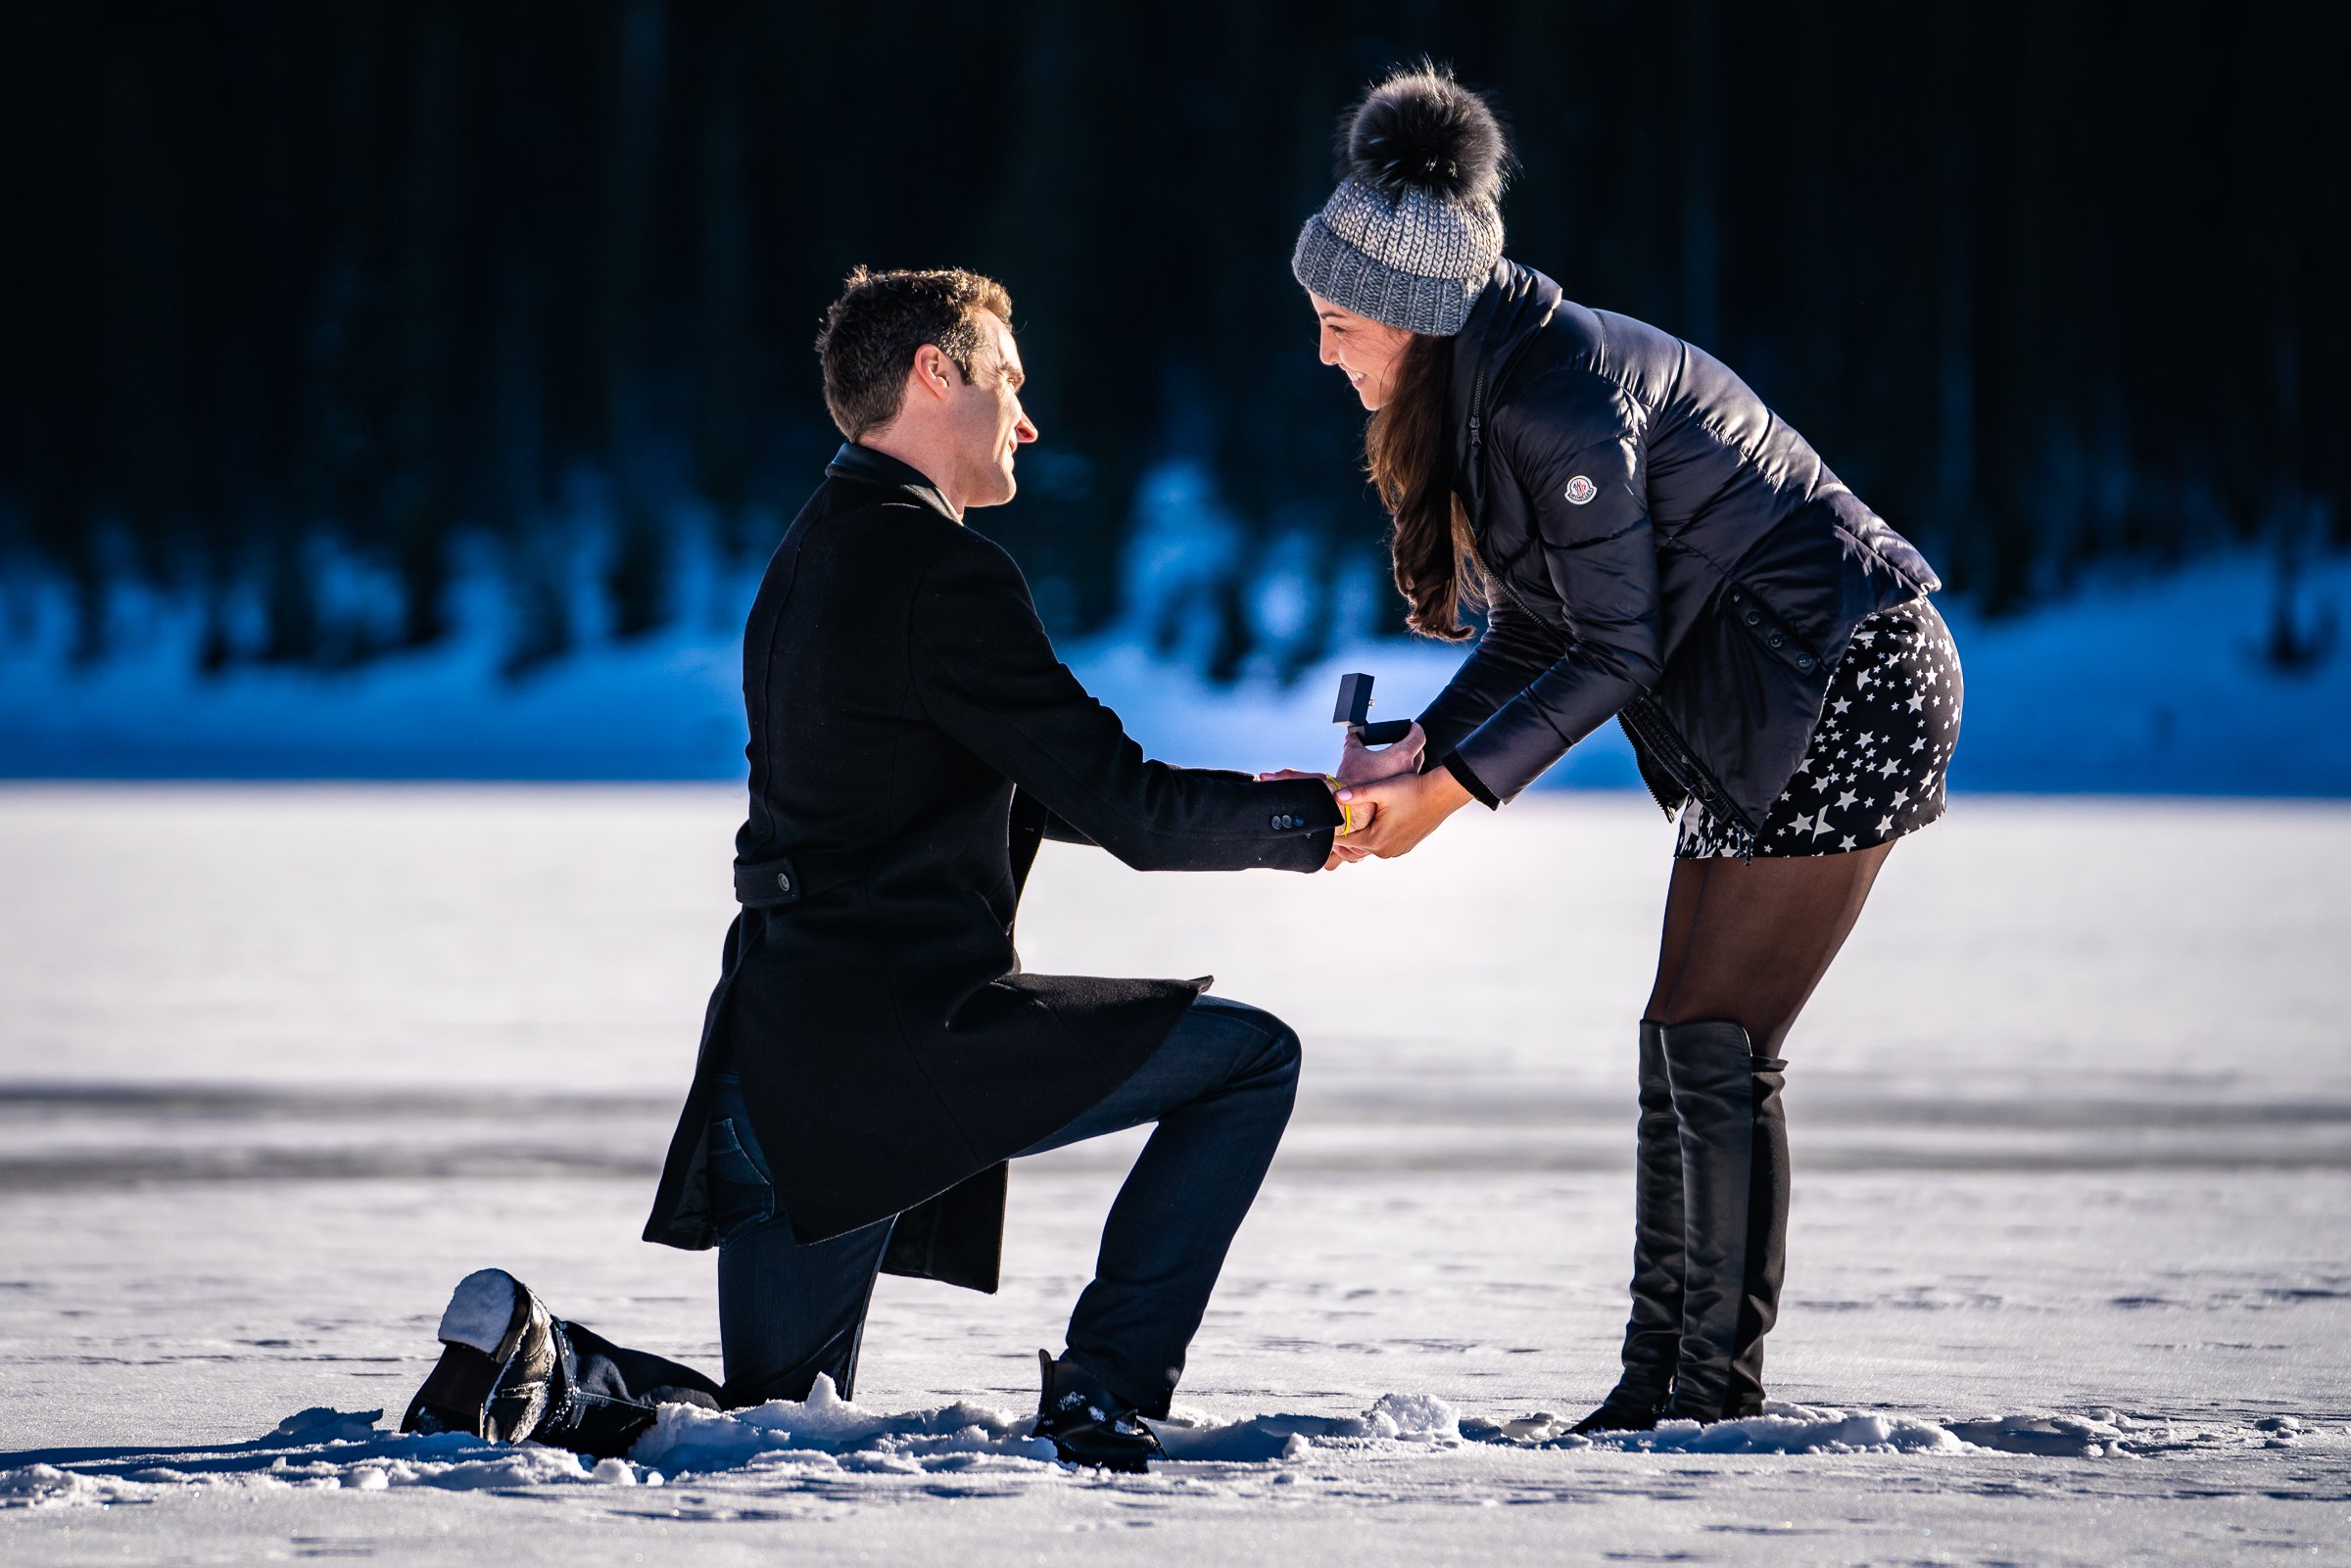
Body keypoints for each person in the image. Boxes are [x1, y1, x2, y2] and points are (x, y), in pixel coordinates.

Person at [400, 266, 1377, 1473]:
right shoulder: (943, 570)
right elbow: (1125, 805)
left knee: (774, 1418)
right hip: (898, 1043)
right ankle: (1109, 1387)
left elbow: (988, 778)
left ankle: (542, 1368)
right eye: (1010, 381)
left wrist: (1273, 808)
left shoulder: (809, 553)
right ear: (936, 372)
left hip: (778, 1050)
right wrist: (1313, 824)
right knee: (1249, 1061)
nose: (1029, 419)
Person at [1287, 68, 1961, 1430]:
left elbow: (1617, 649)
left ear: (1416, 319)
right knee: (1689, 1038)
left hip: (1841, 679)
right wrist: (1419, 747)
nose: (1325, 355)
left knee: (1715, 1035)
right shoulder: (1502, 378)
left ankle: (1705, 1390)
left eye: (1339, 323)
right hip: (1769, 698)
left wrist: (1446, 796)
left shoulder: (1553, 397)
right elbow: (1550, 628)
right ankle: (1667, 1379)